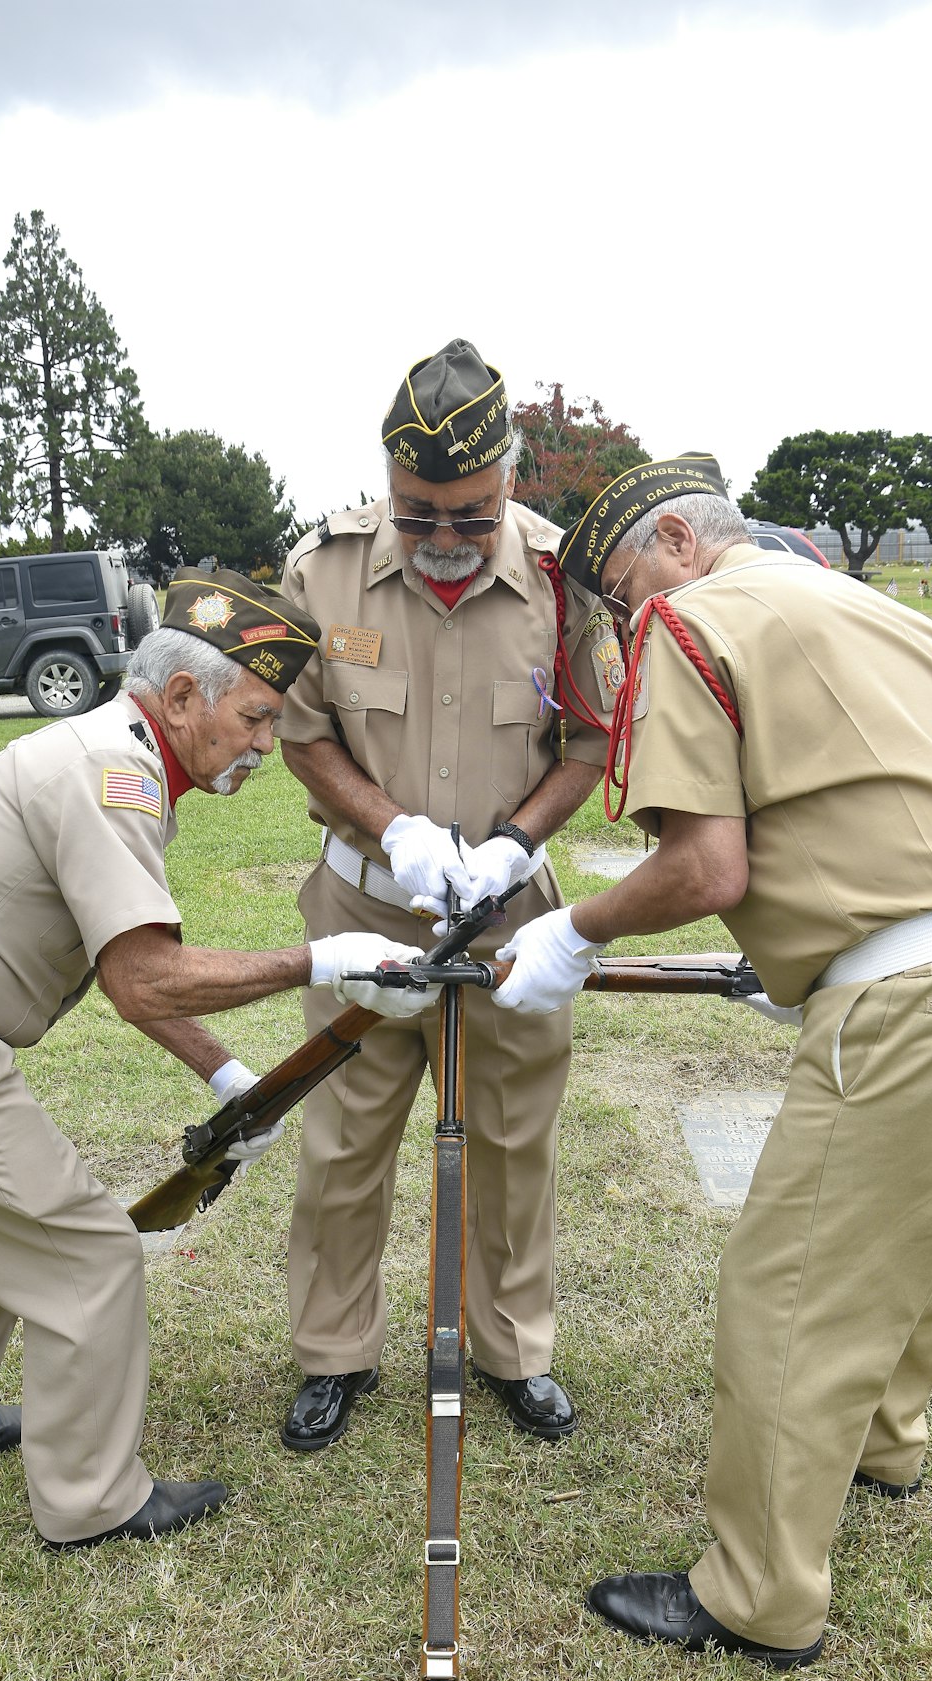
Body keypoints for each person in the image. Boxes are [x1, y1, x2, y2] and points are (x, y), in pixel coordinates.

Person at [493, 457, 932, 1667]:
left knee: (791, 1282)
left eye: (616, 585)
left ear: (671, 543)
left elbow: (708, 867)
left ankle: (757, 1594)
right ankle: (882, 1442)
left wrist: (569, 931)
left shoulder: (691, 619)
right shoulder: (862, 598)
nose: (617, 619)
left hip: (917, 985)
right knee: (915, 1230)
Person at [0, 567, 430, 1552]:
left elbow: (119, 964)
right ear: (182, 698)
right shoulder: (114, 777)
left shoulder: (106, 751)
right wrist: (326, 958)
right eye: (256, 719)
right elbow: (145, 977)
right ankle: (91, 1501)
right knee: (85, 1250)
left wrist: (227, 1079)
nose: (266, 747)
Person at [275, 337, 622, 1451]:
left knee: (512, 1149)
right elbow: (303, 734)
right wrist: (396, 831)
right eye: (416, 512)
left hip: (511, 921)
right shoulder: (320, 571)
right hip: (365, 913)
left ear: (509, 479)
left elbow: (588, 738)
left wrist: (518, 841)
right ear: (388, 480)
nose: (440, 541)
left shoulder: (566, 579)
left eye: (468, 516)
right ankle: (334, 1352)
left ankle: (512, 1351)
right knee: (342, 1145)